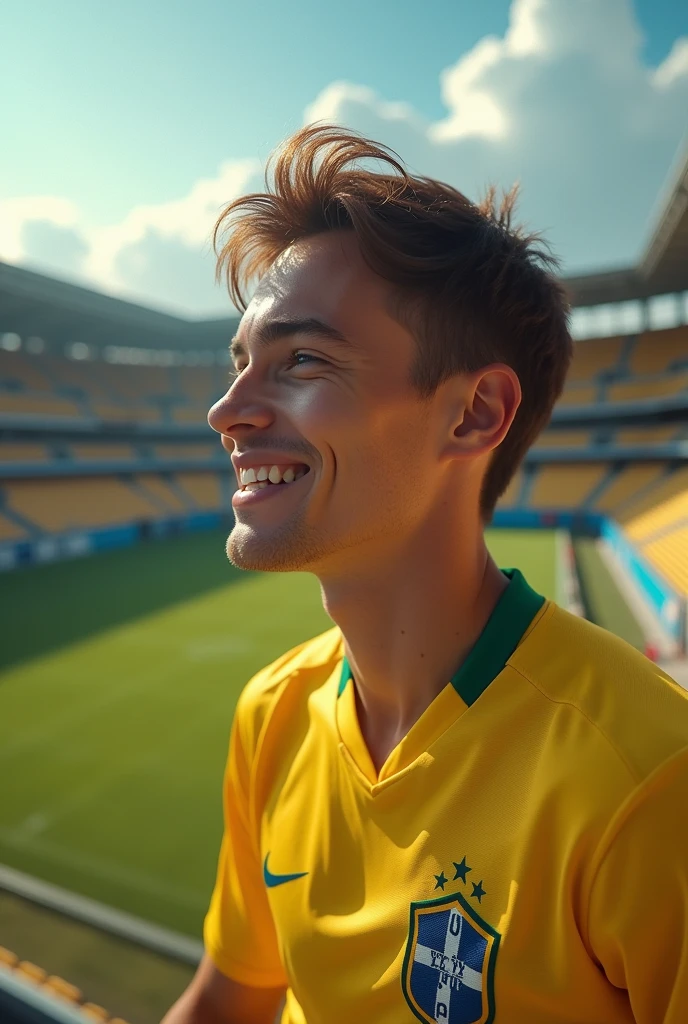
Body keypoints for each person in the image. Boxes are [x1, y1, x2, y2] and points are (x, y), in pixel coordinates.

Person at [162, 125, 688, 1024]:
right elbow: (230, 999)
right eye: (240, 364)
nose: (227, 411)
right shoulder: (273, 712)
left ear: (475, 414)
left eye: (302, 361)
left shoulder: (649, 777)